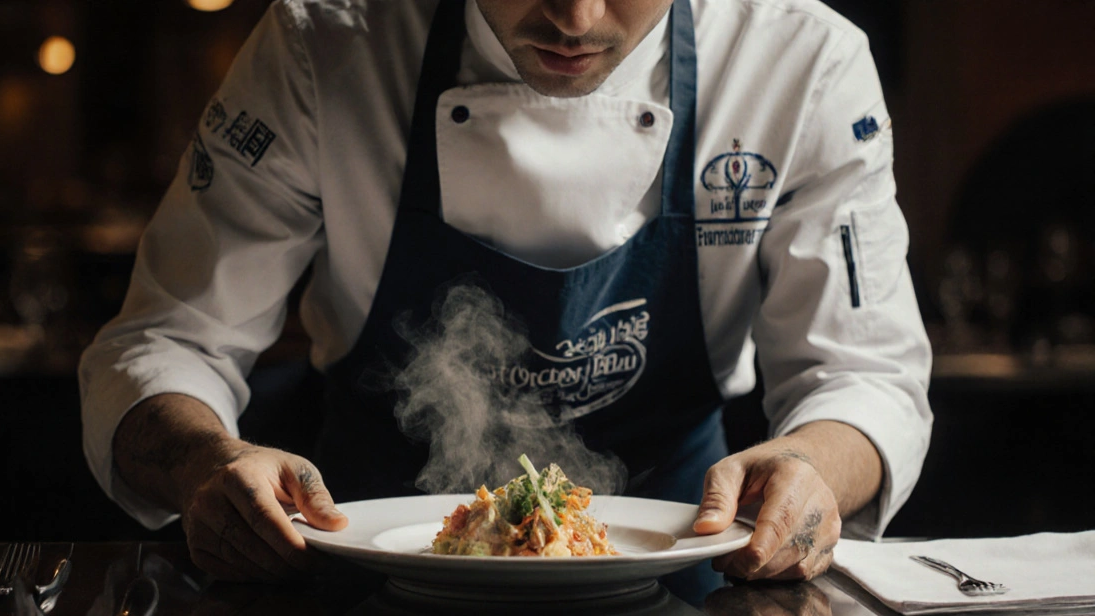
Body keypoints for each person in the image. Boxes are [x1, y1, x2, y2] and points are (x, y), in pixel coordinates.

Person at [78, 0, 932, 585]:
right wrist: (205, 464)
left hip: (689, 588)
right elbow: (168, 340)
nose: (575, 18)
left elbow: (866, 375)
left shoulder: (801, 59)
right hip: (359, 590)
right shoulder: (325, 43)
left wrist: (814, 469)